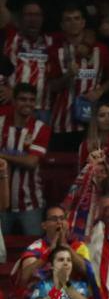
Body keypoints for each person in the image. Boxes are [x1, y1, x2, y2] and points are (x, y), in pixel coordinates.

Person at [46, 4, 109, 151]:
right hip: (62, 123)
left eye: (77, 19)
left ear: (83, 23)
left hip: (92, 122)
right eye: (68, 20)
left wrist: (100, 91)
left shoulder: (101, 50)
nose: (73, 23)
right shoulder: (55, 51)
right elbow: (52, 86)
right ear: (62, 25)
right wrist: (68, 76)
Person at [0, 82, 51, 235]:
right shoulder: (0, 123)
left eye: (31, 100)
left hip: (30, 204)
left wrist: (2, 155)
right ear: (14, 101)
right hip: (1, 203)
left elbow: (31, 162)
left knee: (35, 250)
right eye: (23, 99)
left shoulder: (41, 128)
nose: (28, 103)